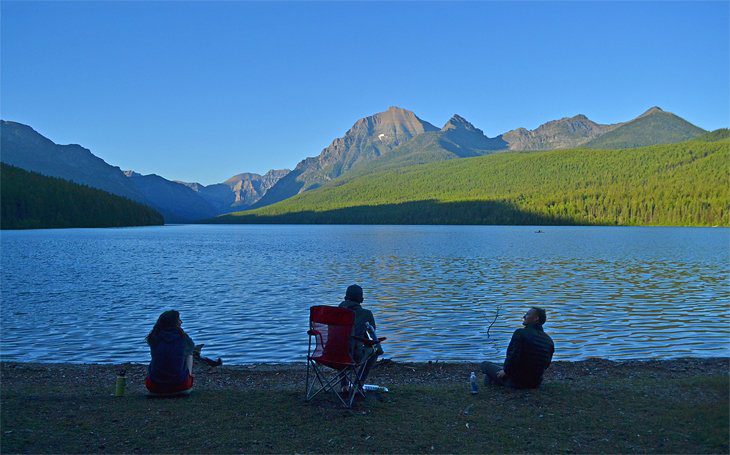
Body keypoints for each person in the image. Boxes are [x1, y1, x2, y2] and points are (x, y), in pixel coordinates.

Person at [481, 307, 554, 389]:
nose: (524, 316)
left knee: (485, 365)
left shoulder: (520, 333)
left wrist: (506, 371)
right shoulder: (549, 340)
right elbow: (546, 364)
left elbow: (513, 356)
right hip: (536, 383)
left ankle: (489, 389)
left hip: (517, 382)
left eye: (527, 314)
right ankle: (495, 384)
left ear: (536, 318)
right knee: (500, 369)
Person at [339, 284, 381, 392]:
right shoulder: (366, 314)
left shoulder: (336, 313)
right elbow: (371, 333)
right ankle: (358, 385)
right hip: (354, 357)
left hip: (330, 355)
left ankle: (344, 385)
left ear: (345, 298)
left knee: (340, 345)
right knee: (374, 351)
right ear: (362, 299)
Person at [144, 310, 197, 394]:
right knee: (189, 354)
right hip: (181, 384)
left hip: (154, 385)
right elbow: (191, 350)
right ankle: (188, 376)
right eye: (179, 320)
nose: (181, 322)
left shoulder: (154, 337)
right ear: (174, 323)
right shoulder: (183, 337)